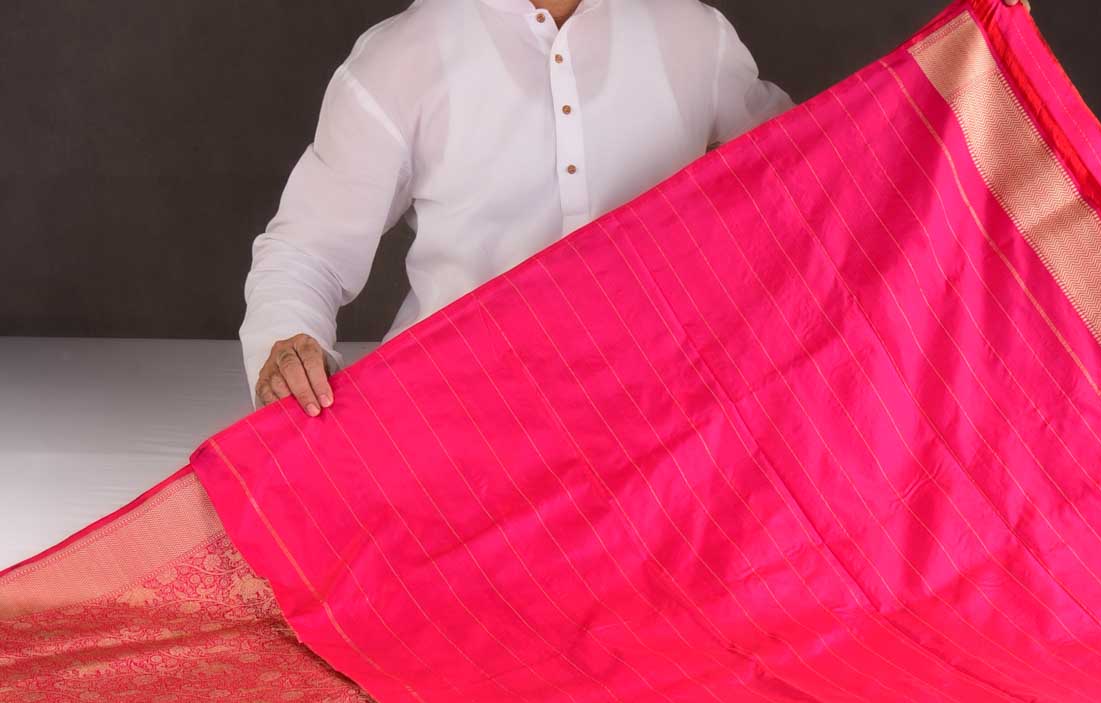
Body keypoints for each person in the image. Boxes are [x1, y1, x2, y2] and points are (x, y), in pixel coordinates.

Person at [242, 0, 793, 414]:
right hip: (460, 424)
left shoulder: (693, 33)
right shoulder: (403, 57)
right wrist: (288, 341)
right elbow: (307, 252)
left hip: (666, 421)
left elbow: (802, 177)